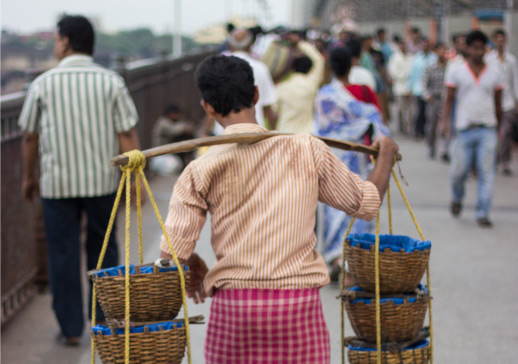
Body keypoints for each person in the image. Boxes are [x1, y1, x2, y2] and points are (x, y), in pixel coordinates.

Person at [158, 55, 399, 364]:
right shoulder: (306, 148)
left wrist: (194, 261)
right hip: (297, 307)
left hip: (234, 309)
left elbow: (170, 257)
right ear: (256, 94)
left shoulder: (199, 168)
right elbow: (366, 204)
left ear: (207, 106)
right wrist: (386, 155)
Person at [18, 15, 140, 345]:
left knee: (63, 254)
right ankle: (105, 320)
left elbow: (30, 136)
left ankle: (71, 330)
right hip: (102, 181)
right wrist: (135, 182)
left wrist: (30, 177)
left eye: (57, 39)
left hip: (57, 185)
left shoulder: (43, 83)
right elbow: (126, 133)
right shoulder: (110, 81)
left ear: (66, 41)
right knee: (104, 249)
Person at [314, 47, 390, 282]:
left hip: (330, 158)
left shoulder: (324, 95)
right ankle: (352, 261)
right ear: (353, 64)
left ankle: (337, 257)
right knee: (357, 203)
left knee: (332, 208)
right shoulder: (362, 92)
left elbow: (320, 128)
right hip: (356, 158)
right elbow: (376, 120)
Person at [442, 30, 503, 228]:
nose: (478, 51)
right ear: (467, 48)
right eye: (474, 47)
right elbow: (449, 99)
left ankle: (483, 212)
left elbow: (498, 103)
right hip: (464, 129)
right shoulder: (456, 70)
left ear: (486, 49)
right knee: (458, 172)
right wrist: (444, 123)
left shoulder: (495, 72)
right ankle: (457, 198)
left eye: (481, 48)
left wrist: (499, 129)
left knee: (486, 173)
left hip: (488, 129)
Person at [228, 28, 277, 130]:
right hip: (254, 130)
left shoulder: (218, 68)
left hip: (224, 132)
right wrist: (273, 133)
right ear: (251, 44)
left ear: (230, 45)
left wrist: (206, 132)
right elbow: (267, 108)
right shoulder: (260, 68)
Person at [275, 34, 325, 134]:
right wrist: (300, 43)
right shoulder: (311, 84)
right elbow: (319, 60)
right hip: (307, 134)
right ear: (309, 69)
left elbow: (275, 112)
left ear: (292, 68)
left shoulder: (281, 87)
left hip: (284, 133)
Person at [485, 29, 518, 175]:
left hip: (508, 102)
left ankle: (504, 162)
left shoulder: (512, 60)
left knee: (506, 133)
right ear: (493, 41)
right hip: (492, 103)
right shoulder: (488, 60)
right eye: (497, 39)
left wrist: (517, 101)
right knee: (493, 133)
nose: (500, 42)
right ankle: (491, 160)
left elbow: (515, 81)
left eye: (502, 40)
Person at [422, 43, 448, 159]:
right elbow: (424, 84)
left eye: (444, 51)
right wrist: (427, 95)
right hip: (434, 99)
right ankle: (432, 146)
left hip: (446, 100)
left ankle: (445, 149)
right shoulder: (431, 68)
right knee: (432, 124)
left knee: (445, 125)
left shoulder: (450, 68)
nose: (443, 53)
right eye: (440, 50)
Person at [409, 38, 438, 138]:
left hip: (431, 90)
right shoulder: (416, 58)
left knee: (429, 113)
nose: (425, 47)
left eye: (427, 45)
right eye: (424, 45)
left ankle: (428, 132)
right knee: (420, 111)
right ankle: (418, 130)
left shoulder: (434, 57)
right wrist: (411, 89)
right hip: (418, 89)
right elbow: (412, 74)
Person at [151, 103, 195, 169]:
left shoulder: (174, 121)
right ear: (171, 114)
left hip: (168, 155)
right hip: (161, 157)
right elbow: (179, 129)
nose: (178, 115)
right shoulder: (162, 122)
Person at [388, 38, 414, 134]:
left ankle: (409, 128)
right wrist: (405, 75)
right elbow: (394, 73)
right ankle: (401, 127)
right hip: (399, 88)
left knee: (411, 110)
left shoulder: (411, 57)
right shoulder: (394, 58)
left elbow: (413, 73)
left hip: (410, 88)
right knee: (400, 110)